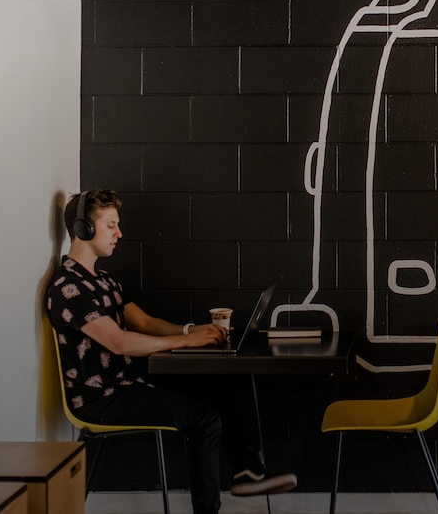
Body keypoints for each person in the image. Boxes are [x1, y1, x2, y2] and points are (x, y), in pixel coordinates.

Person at [46, 189, 297, 514]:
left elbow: (146, 323)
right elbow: (120, 342)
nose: (119, 233)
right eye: (111, 225)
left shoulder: (104, 280)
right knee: (204, 420)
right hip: (101, 398)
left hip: (127, 382)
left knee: (218, 385)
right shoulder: (68, 288)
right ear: (84, 229)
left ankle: (247, 471)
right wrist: (186, 342)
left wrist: (192, 331)